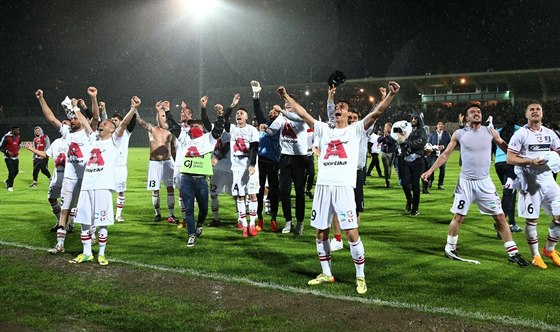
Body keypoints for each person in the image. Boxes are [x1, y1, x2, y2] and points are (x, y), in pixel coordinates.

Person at [277, 81, 400, 295]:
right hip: (324, 187)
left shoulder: (356, 130)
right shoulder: (324, 129)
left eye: (342, 108)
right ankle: (327, 273)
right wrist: (286, 97)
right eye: (336, 108)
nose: (338, 110)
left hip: (343, 188)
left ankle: (360, 276)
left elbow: (378, 111)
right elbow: (303, 113)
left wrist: (390, 94)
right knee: (320, 233)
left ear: (349, 113)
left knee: (352, 233)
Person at [421, 104, 529, 267]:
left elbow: (505, 146)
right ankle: (450, 248)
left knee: (500, 216)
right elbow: (445, 155)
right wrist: (429, 171)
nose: (477, 114)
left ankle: (512, 253)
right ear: (466, 117)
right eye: (473, 112)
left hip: (485, 183)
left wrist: (522, 159)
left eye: (478, 112)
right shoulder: (460, 133)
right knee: (459, 216)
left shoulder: (489, 131)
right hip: (465, 183)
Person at [68, 96, 137, 265]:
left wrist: (133, 108)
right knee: (84, 221)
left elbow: (124, 125)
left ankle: (101, 254)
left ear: (112, 130)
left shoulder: (115, 141)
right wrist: (75, 108)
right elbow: (85, 123)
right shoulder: (93, 139)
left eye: (106, 124)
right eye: (101, 123)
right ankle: (86, 253)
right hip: (87, 186)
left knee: (102, 222)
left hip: (103, 187)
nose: (102, 124)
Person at [36, 88, 99, 254]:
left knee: (86, 209)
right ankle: (60, 244)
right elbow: (51, 119)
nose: (71, 120)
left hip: (84, 178)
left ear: (81, 119)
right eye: (70, 118)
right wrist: (41, 99)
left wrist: (93, 98)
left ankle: (91, 234)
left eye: (74, 117)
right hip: (69, 179)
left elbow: (96, 118)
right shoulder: (67, 132)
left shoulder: (88, 133)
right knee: (65, 210)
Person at [506, 101, 560, 269]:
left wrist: (554, 158)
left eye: (538, 109)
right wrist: (530, 161)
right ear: (526, 114)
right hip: (530, 183)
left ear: (542, 113)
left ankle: (549, 250)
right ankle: (536, 255)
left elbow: (558, 150)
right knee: (532, 220)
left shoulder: (550, 133)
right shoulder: (520, 134)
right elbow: (510, 158)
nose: (535, 112)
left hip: (549, 181)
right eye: (532, 110)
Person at [164, 97, 224, 247]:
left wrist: (220, 115)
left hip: (202, 180)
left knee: (203, 209)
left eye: (197, 125)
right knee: (189, 208)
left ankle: (200, 225)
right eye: (192, 125)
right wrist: (167, 111)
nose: (194, 127)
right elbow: (173, 127)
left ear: (203, 127)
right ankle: (191, 235)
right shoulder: (185, 138)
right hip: (187, 179)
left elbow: (218, 129)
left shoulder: (208, 139)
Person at [266, 93, 309, 236]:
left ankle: (300, 221)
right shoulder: (281, 117)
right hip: (285, 158)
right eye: (285, 105)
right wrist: (266, 129)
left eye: (289, 104)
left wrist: (283, 112)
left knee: (299, 192)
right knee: (284, 191)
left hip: (299, 158)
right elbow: (273, 131)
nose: (286, 106)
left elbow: (294, 117)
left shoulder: (301, 115)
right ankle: (288, 220)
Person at [224, 94, 260, 237]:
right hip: (237, 168)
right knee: (240, 196)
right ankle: (244, 226)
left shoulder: (252, 130)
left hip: (249, 167)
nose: (238, 115)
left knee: (252, 195)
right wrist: (232, 104)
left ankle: (252, 224)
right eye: (237, 114)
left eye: (241, 113)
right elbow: (224, 119)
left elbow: (254, 147)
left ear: (246, 117)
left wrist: (252, 164)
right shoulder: (232, 129)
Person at [136, 101, 178, 223]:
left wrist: (176, 165)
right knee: (155, 189)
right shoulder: (152, 129)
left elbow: (174, 149)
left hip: (168, 162)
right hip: (154, 163)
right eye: (161, 116)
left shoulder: (171, 132)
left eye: (164, 116)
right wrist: (134, 107)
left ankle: (171, 214)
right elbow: (139, 120)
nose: (163, 118)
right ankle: (157, 214)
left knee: (170, 188)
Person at [24, 121, 69, 230]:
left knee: (69, 203)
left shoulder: (76, 141)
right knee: (52, 198)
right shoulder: (57, 142)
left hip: (70, 178)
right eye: (62, 123)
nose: (63, 125)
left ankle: (70, 225)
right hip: (57, 177)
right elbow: (46, 153)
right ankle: (61, 222)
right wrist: (31, 149)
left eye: (65, 123)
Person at [251, 81, 281, 232]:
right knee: (260, 189)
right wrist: (256, 94)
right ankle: (260, 219)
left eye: (275, 112)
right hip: (261, 161)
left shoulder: (281, 126)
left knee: (274, 191)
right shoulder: (264, 123)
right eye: (271, 112)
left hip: (275, 162)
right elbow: (258, 111)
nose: (271, 113)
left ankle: (274, 219)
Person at [493, 112, 523, 236]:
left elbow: (494, 147)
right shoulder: (520, 130)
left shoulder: (498, 131)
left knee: (510, 193)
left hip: (499, 164)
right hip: (511, 164)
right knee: (508, 194)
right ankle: (501, 224)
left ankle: (512, 223)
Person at [109, 102, 137, 222]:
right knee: (107, 191)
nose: (113, 121)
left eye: (115, 120)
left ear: (120, 122)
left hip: (120, 167)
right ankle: (108, 213)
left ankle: (118, 214)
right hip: (108, 167)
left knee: (120, 191)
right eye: (112, 120)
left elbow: (132, 123)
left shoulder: (126, 132)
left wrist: (134, 108)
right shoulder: (107, 133)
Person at [396, 113, 427, 216]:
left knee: (415, 184)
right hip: (406, 159)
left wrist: (406, 142)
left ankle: (415, 207)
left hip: (417, 160)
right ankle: (409, 201)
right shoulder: (409, 130)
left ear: (419, 120)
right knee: (404, 183)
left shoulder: (422, 131)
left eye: (415, 118)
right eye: (412, 118)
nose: (413, 120)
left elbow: (420, 142)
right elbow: (400, 140)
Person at [426, 121, 451, 190]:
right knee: (431, 168)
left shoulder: (447, 134)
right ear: (436, 126)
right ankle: (430, 181)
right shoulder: (432, 134)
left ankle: (440, 184)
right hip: (433, 154)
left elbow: (450, 143)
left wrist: (444, 146)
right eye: (439, 124)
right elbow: (428, 144)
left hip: (443, 154)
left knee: (442, 170)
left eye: (442, 125)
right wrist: (433, 147)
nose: (441, 126)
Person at [0, 125, 21, 192]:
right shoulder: (6, 137)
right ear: (12, 130)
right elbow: (1, 147)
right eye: (17, 130)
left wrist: (18, 147)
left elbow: (18, 144)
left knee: (16, 171)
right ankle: (10, 186)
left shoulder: (18, 137)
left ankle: (7, 181)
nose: (18, 131)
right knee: (11, 172)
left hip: (16, 157)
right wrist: (7, 151)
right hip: (8, 158)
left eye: (18, 130)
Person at [377, 122, 397, 188]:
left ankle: (388, 179)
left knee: (389, 167)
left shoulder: (393, 134)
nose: (386, 128)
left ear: (391, 128)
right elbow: (378, 140)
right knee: (386, 167)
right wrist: (384, 137)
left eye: (387, 127)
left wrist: (388, 136)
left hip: (391, 152)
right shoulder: (383, 134)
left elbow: (393, 141)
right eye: (385, 127)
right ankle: (387, 180)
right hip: (384, 152)